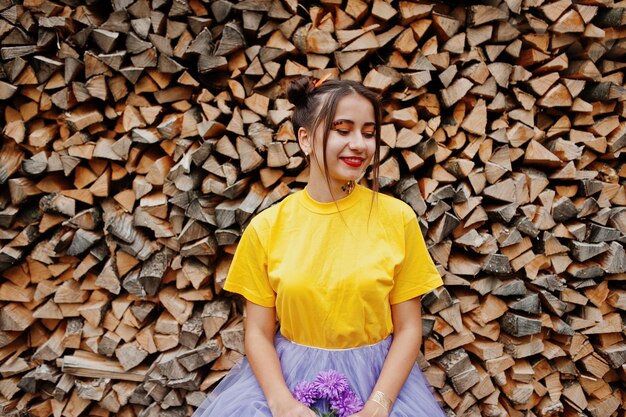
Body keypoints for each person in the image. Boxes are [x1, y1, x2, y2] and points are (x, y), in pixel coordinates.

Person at [192, 76, 446, 417]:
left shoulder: (396, 219)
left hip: (376, 385)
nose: (359, 144)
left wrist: (379, 405)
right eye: (342, 129)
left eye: (369, 133)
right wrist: (283, 405)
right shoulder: (267, 228)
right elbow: (257, 332)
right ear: (306, 139)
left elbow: (409, 328)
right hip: (288, 386)